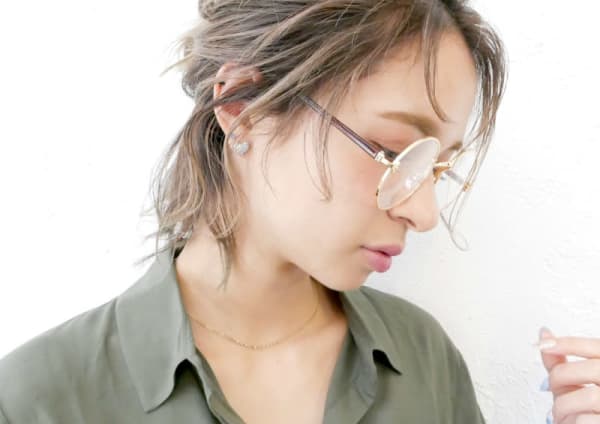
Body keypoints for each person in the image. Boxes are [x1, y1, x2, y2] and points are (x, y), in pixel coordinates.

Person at [0, 1, 596, 423]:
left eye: (436, 167)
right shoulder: (39, 398)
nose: (423, 213)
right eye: (394, 152)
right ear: (244, 108)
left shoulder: (423, 360)